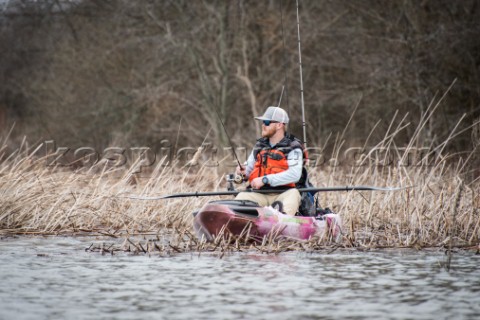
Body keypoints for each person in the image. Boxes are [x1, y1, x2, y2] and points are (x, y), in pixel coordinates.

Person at [235, 106, 303, 216]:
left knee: (294, 195)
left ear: (279, 125)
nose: (263, 125)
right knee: (241, 198)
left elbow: (294, 175)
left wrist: (265, 180)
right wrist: (242, 172)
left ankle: (280, 220)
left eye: (267, 122)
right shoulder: (259, 146)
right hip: (258, 194)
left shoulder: (293, 147)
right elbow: (249, 170)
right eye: (262, 122)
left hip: (284, 193)